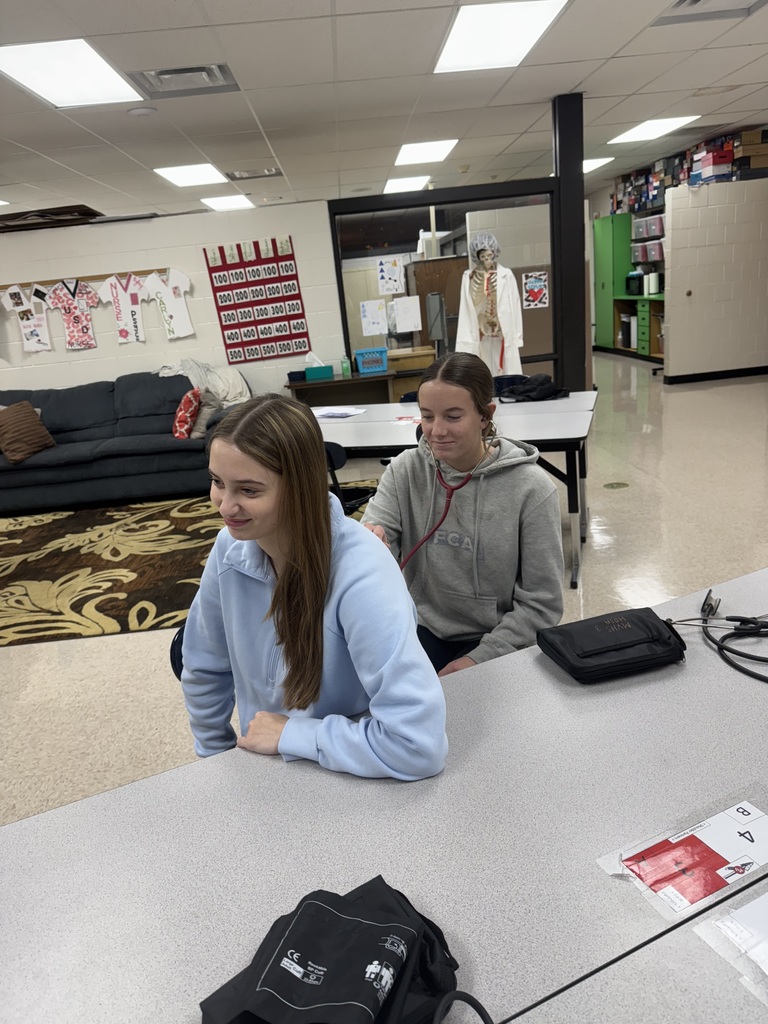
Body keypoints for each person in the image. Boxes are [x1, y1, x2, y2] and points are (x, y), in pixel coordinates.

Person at [179, 394, 447, 781]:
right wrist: (218, 761)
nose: (224, 506)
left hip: (348, 771)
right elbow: (204, 667)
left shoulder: (363, 573)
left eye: (249, 490)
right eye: (218, 482)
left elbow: (419, 746)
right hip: (269, 767)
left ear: (299, 488)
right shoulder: (230, 549)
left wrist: (294, 734)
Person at [360, 353, 564, 676]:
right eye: (427, 417)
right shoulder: (404, 472)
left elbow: (542, 605)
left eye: (453, 417)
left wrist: (477, 659)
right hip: (421, 627)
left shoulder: (532, 490)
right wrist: (370, 546)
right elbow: (369, 544)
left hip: (499, 637)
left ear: (485, 415)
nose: (436, 431)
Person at [456, 231, 524, 376]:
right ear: (477, 257)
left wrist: (517, 336)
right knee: (482, 375)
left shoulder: (507, 275)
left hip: (501, 334)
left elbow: (515, 305)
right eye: (483, 256)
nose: (487, 260)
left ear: (494, 253)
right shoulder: (468, 277)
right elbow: (465, 311)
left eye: (489, 255)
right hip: (481, 335)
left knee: (506, 374)